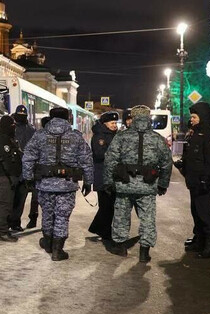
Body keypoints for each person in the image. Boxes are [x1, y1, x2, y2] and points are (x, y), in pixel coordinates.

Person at [22, 107, 94, 261]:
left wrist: (28, 178)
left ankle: (47, 243)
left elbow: (28, 157)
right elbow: (87, 160)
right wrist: (88, 181)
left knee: (47, 214)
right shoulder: (76, 136)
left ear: (51, 117)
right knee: (62, 216)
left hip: (45, 184)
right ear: (68, 118)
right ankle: (57, 250)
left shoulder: (40, 135)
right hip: (67, 186)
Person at [104, 105, 172, 262]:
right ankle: (144, 251)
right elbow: (167, 163)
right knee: (147, 218)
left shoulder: (122, 137)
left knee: (121, 216)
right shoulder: (157, 138)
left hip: (124, 184)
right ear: (148, 118)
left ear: (133, 118)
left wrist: (108, 182)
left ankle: (120, 247)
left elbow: (110, 159)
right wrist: (163, 183)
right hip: (147, 186)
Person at [176, 102, 210, 259]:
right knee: (196, 211)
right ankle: (199, 240)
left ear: (202, 117)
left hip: (204, 182)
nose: (192, 119)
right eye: (191, 117)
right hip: (194, 181)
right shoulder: (194, 133)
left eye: (194, 117)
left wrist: (205, 178)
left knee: (206, 213)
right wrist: (183, 164)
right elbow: (191, 155)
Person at [88, 111, 120, 248]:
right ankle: (105, 232)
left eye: (115, 123)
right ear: (105, 124)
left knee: (110, 206)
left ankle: (99, 228)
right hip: (102, 176)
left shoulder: (115, 135)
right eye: (112, 123)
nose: (115, 125)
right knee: (106, 206)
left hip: (113, 177)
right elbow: (100, 154)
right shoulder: (99, 137)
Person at [0, 116, 23, 242]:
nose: (14, 128)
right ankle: (2, 232)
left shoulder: (7, 138)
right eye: (12, 126)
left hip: (6, 176)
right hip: (4, 177)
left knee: (2, 204)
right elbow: (6, 160)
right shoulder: (2, 139)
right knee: (4, 204)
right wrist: (11, 177)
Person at [12, 104, 39, 230]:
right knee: (13, 198)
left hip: (27, 169)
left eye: (23, 115)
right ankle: (11, 222)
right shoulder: (11, 128)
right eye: (20, 115)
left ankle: (18, 222)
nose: (21, 117)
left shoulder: (31, 130)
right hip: (14, 168)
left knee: (22, 197)